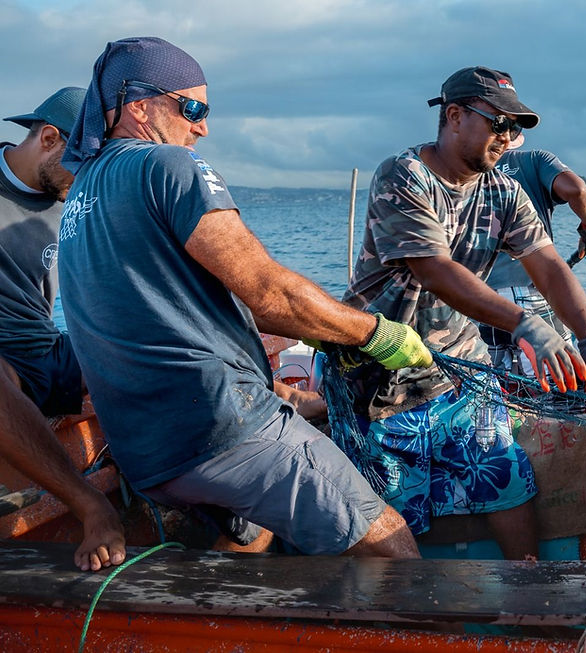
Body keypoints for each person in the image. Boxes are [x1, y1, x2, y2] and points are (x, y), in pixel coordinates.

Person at [57, 37, 431, 558]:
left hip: (146, 451)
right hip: (219, 428)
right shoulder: (169, 166)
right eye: (192, 108)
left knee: (254, 530)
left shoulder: (82, 191)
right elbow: (268, 294)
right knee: (390, 543)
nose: (202, 127)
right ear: (138, 106)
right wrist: (377, 334)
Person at [342, 66, 586, 559]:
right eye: (498, 122)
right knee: (396, 502)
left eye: (515, 128)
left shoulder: (504, 190)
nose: (508, 138)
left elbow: (547, 266)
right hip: (383, 367)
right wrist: (526, 324)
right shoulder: (403, 175)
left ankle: (526, 590)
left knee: (505, 475)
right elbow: (434, 269)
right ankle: (417, 613)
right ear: (455, 116)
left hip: (462, 362)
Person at [0, 87, 126, 572]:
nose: (91, 183)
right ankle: (90, 505)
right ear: (50, 139)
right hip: (6, 368)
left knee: (159, 330)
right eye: (86, 167)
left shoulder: (79, 203)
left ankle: (273, 393)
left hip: (50, 353)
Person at [481, 147, 586, 375]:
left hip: (475, 297)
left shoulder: (460, 167)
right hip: (527, 292)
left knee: (489, 384)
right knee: (559, 386)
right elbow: (578, 190)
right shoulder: (533, 160)